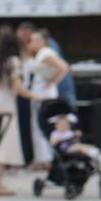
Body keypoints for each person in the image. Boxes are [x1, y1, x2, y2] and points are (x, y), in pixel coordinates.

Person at [0, 28, 39, 196]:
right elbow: (17, 87)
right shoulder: (13, 61)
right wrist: (35, 96)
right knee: (4, 145)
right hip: (5, 105)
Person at [27, 28, 70, 168]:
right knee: (40, 126)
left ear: (44, 41)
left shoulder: (46, 53)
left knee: (42, 126)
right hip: (40, 92)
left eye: (36, 40)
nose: (33, 43)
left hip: (44, 93)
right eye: (32, 40)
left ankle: (45, 158)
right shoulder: (39, 54)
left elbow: (63, 67)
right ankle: (43, 157)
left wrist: (52, 82)